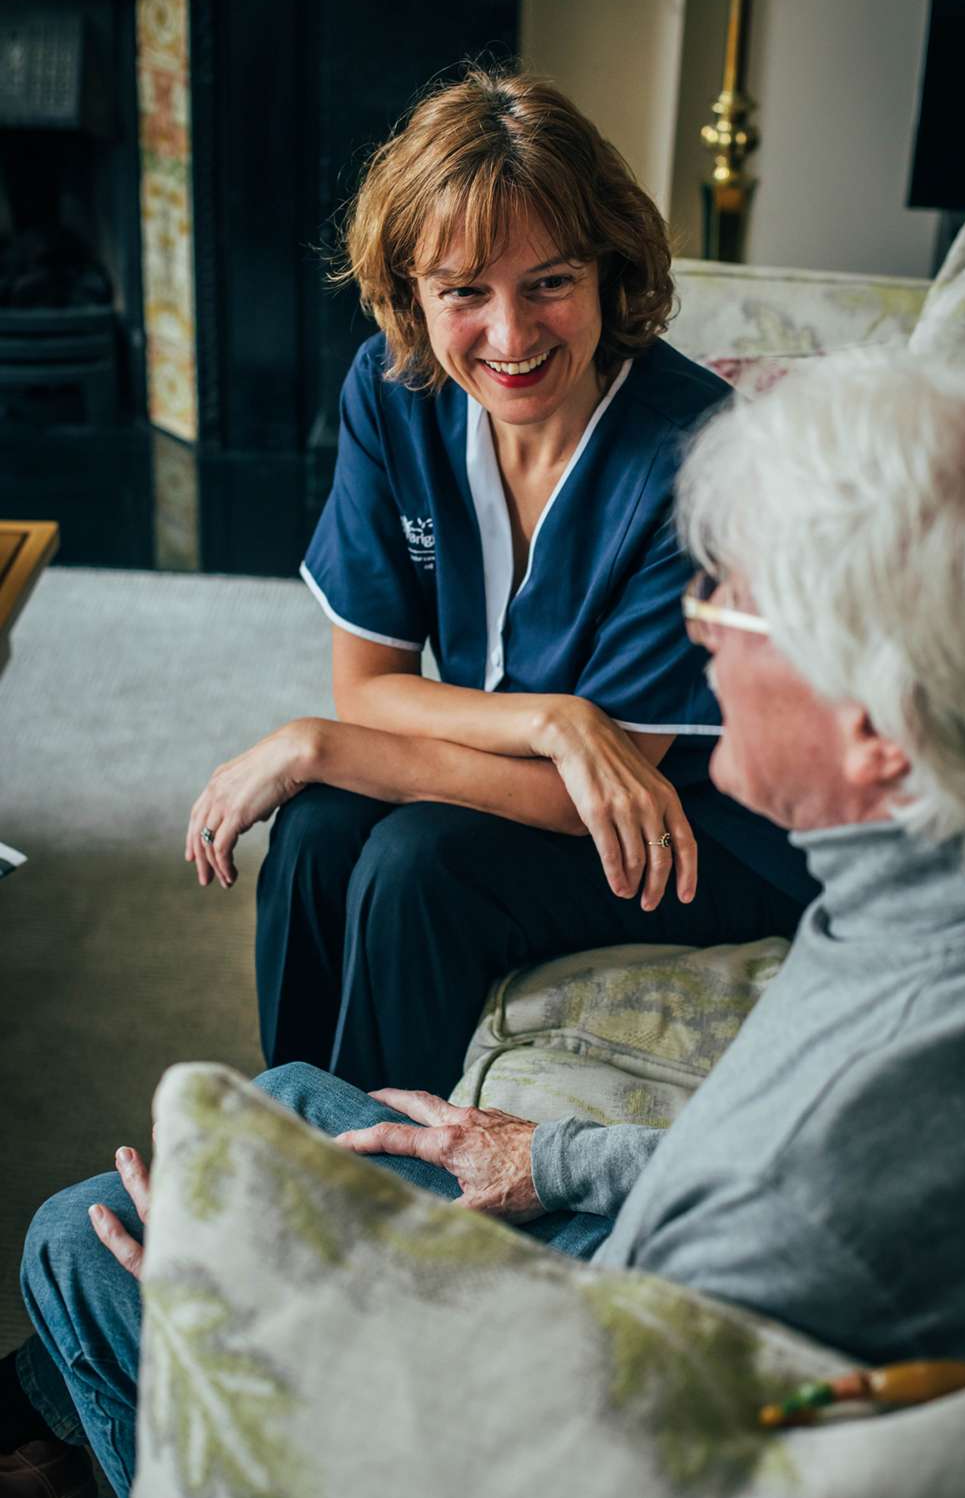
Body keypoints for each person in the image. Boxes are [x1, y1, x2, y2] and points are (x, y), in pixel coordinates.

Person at [9, 349, 965, 1498]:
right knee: (299, 1099)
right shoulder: (945, 896)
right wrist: (551, 1154)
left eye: (727, 601)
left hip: (575, 1381)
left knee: (79, 1240)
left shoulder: (802, 1180)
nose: (698, 633)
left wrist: (255, 1315)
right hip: (644, 1311)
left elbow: (554, 1457)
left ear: (878, 728)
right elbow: (738, 1178)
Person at [183, 67, 815, 1099]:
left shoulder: (699, 455)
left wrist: (314, 744)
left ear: (608, 271)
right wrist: (552, 718)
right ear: (411, 294)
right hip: (545, 759)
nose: (511, 337)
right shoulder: (390, 391)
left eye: (549, 283)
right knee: (316, 830)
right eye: (464, 292)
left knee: (418, 863)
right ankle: (290, 1133)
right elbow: (370, 683)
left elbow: (592, 795)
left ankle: (385, 1171)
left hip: (704, 827)